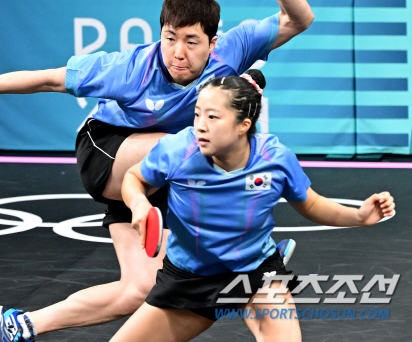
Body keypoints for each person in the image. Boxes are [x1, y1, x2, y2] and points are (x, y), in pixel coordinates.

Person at [0, 0, 314, 342]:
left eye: (191, 42)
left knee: (141, 289)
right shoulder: (129, 70)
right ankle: (248, 251)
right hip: (107, 154)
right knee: (202, 140)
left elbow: (300, 19)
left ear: (213, 43)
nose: (178, 52)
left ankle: (20, 324)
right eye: (170, 38)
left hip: (159, 173)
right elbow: (47, 79)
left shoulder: (234, 48)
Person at [112, 70, 395, 342]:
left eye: (212, 117)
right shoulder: (177, 150)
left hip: (255, 270)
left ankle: (272, 259)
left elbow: (311, 204)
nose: (200, 125)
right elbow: (134, 177)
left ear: (243, 125)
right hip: (191, 275)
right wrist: (138, 203)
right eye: (197, 114)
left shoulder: (274, 159)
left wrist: (359, 216)